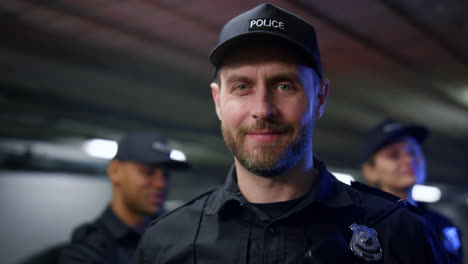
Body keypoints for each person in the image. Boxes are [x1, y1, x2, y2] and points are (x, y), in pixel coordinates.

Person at [134, 3, 447, 263]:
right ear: (218, 101)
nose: (263, 109)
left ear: (320, 98)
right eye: (242, 87)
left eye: (284, 86)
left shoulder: (401, 234)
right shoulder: (163, 244)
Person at [59, 132, 189, 264]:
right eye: (148, 172)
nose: (161, 184)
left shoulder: (175, 234)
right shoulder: (87, 250)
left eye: (166, 175)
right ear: (115, 171)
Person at [360, 118, 463, 264]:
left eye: (413, 152)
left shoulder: (443, 226)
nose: (408, 160)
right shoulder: (359, 225)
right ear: (370, 171)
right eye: (394, 155)